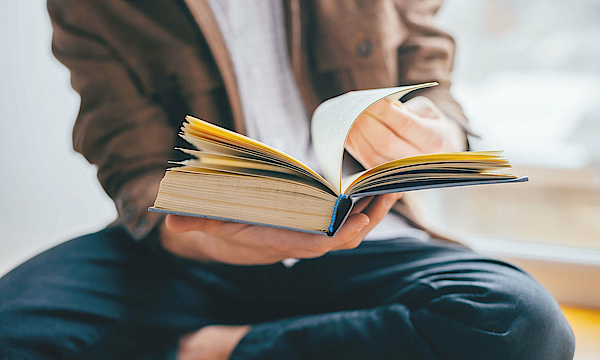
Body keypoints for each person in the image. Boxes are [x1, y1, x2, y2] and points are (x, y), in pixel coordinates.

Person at [0, 0, 575, 359]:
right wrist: (203, 231)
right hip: (190, 246)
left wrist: (433, 135)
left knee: (520, 324)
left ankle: (217, 348)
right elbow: (134, 164)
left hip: (369, 238)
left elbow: (433, 89)